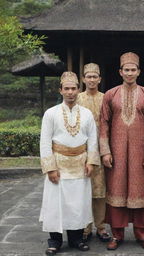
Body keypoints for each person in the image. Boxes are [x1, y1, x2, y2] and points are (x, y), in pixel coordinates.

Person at [99, 52, 144, 251]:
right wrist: (105, 152)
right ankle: (117, 234)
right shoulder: (110, 94)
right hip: (116, 154)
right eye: (127, 70)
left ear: (139, 72)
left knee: (141, 190)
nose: (130, 73)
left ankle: (143, 234)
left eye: (133, 70)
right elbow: (104, 124)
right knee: (116, 190)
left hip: (140, 154)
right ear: (120, 72)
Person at [39, 71, 100, 255]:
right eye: (67, 88)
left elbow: (93, 140)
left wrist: (91, 162)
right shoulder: (51, 113)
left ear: (78, 89)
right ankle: (55, 241)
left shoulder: (87, 114)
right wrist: (50, 168)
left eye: (73, 88)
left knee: (78, 204)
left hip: (80, 165)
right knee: (56, 205)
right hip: (59, 165)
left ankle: (76, 239)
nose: (71, 92)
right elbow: (45, 142)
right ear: (61, 90)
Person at [76, 63, 111, 242]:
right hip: (81, 150)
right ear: (83, 79)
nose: (91, 80)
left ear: (99, 79)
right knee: (83, 189)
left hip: (101, 148)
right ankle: (84, 227)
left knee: (100, 190)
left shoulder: (106, 98)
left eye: (94, 77)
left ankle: (101, 226)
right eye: (88, 77)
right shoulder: (77, 98)